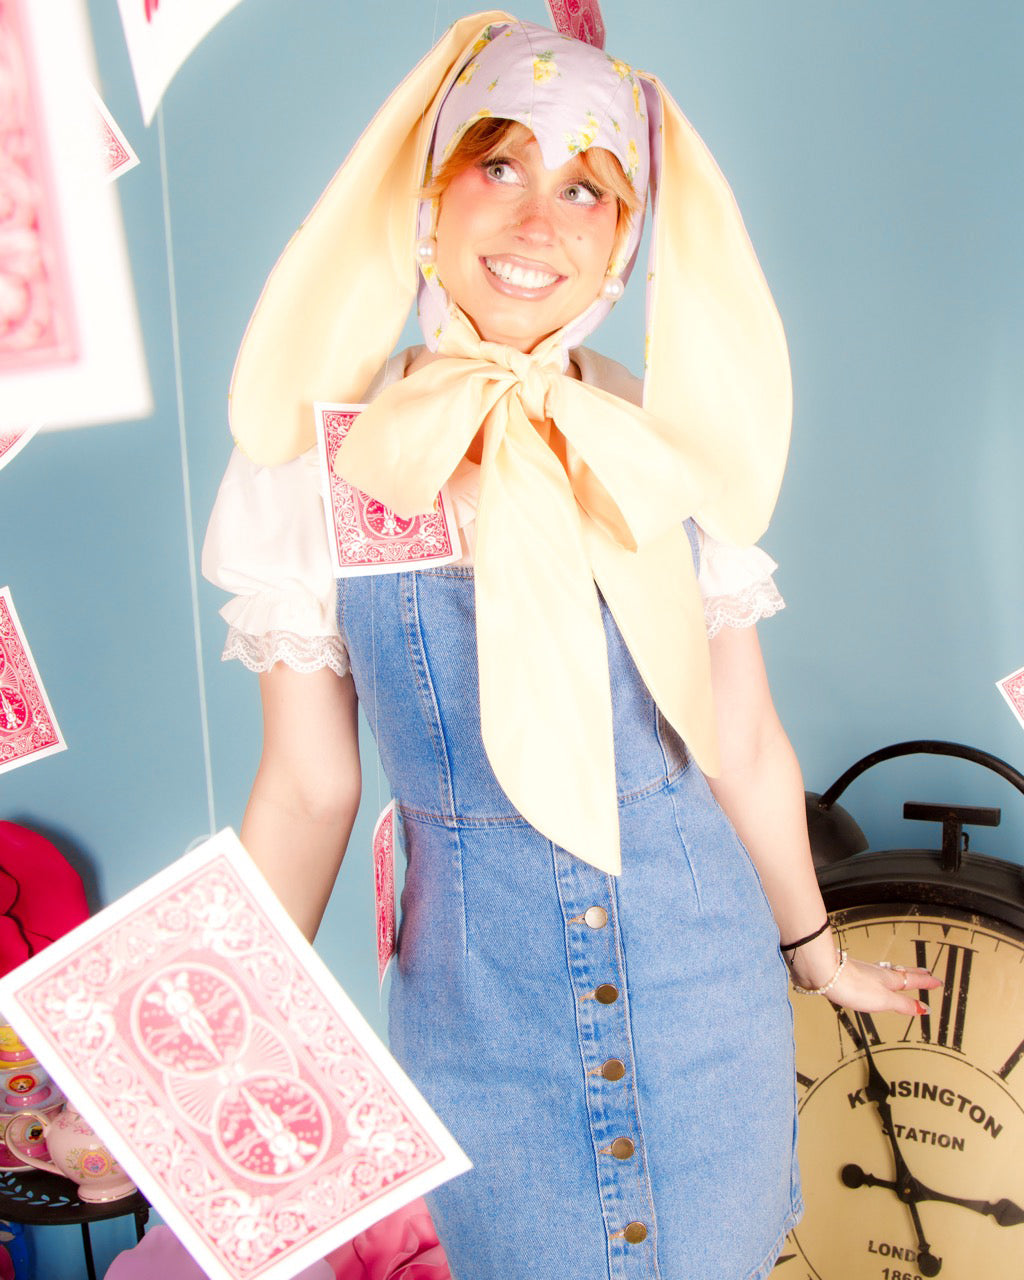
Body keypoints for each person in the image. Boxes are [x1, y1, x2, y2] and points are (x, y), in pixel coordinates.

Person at [203, 14, 940, 1279]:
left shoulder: (657, 440)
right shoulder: (326, 464)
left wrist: (813, 949)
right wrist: (241, 1038)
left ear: (624, 239)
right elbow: (310, 786)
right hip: (480, 1026)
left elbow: (743, 742)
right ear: (429, 190)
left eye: (585, 187)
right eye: (499, 165)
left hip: (703, 997)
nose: (537, 221)